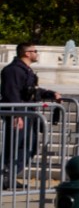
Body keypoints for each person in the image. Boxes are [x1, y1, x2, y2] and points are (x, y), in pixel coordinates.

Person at [1, 43, 59, 188]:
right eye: (35, 51)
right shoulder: (13, 70)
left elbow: (32, 91)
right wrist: (17, 115)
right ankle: (4, 177)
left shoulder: (25, 70)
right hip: (20, 114)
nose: (37, 53)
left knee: (29, 147)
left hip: (28, 113)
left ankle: (9, 176)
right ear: (27, 53)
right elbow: (11, 94)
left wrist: (51, 94)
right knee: (14, 147)